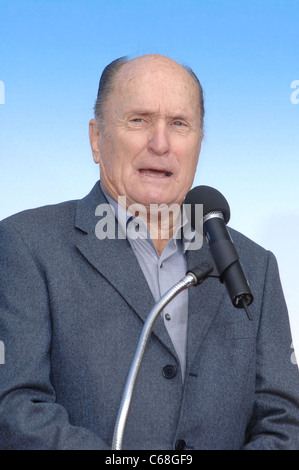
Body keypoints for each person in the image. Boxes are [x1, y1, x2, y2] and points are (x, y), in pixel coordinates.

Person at [0, 54, 299, 450]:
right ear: (96, 138)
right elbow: (16, 408)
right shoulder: (26, 243)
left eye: (179, 124)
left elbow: (286, 422)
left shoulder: (253, 265)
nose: (160, 144)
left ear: (199, 141)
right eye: (139, 120)